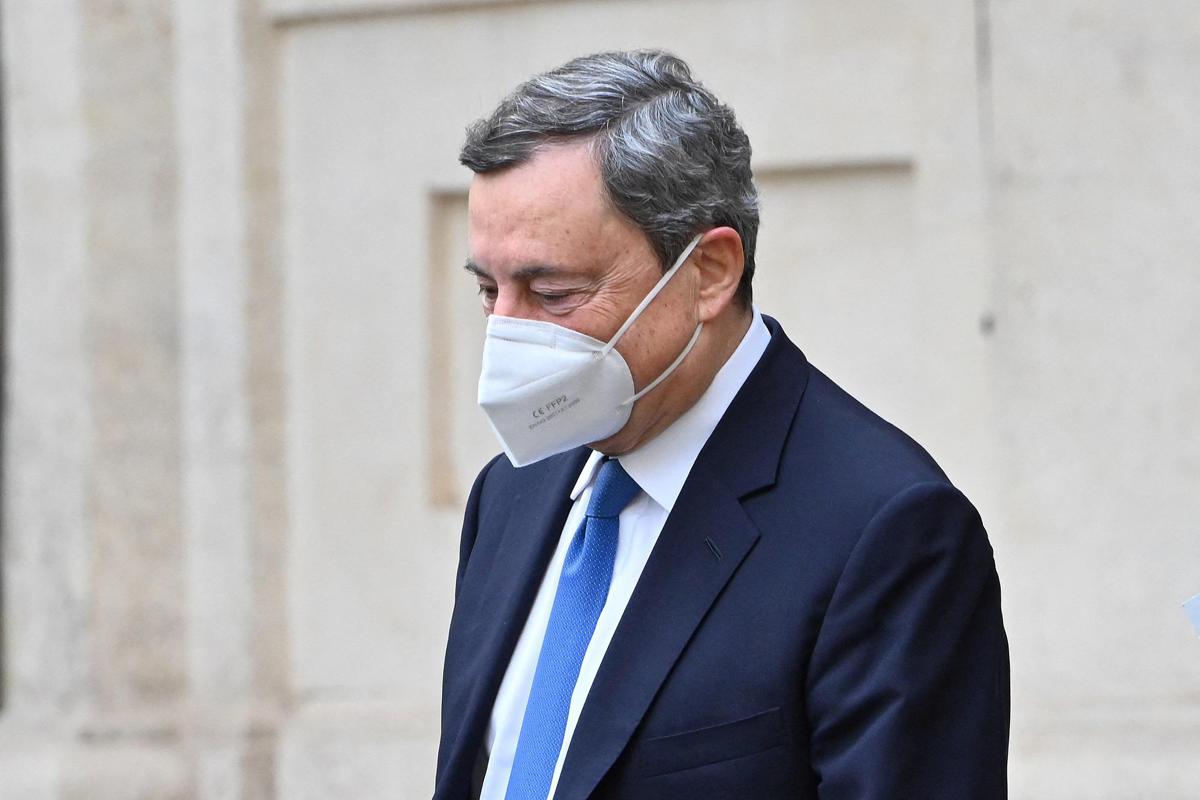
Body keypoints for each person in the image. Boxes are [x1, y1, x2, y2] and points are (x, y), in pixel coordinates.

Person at [435, 50, 1009, 800]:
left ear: (708, 272)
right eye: (489, 290)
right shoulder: (513, 490)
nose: (509, 334)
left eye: (553, 292)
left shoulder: (887, 532)